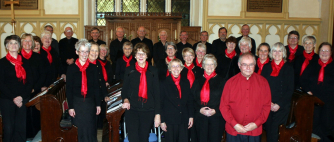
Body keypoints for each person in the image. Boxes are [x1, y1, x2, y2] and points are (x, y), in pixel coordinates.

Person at [220, 52, 271, 142]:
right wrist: (234, 124)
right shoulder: (230, 83)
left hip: (255, 130)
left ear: (255, 65)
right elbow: (224, 106)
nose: (248, 68)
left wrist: (256, 124)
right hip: (234, 130)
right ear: (239, 65)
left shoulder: (263, 82)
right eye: (245, 65)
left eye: (251, 65)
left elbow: (266, 106)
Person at [121, 42, 160, 142]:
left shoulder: (153, 71)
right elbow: (124, 89)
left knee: (143, 138)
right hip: (132, 109)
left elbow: (157, 93)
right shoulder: (129, 70)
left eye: (143, 53)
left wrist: (157, 114)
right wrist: (125, 99)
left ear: (147, 55)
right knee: (133, 138)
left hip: (148, 110)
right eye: (138, 53)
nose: (141, 56)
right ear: (135, 56)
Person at [67, 39, 101, 142]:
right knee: (79, 130)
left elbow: (96, 87)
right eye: (82, 51)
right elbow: (68, 89)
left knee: (90, 129)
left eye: (86, 51)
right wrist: (71, 107)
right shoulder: (71, 68)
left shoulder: (93, 68)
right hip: (77, 103)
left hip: (90, 103)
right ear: (77, 52)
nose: (84, 54)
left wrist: (98, 104)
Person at [0, 35, 33, 142]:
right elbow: (1, 83)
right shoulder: (2, 63)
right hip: (7, 99)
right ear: (6, 46)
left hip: (23, 99)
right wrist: (14, 97)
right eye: (10, 43)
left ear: (19, 46)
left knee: (21, 128)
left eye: (15, 43)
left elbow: (30, 81)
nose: (13, 45)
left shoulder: (26, 62)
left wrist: (21, 97)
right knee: (9, 128)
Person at [300, 42, 334, 142]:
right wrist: (307, 91)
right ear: (319, 52)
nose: (324, 53)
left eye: (327, 51)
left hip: (329, 103)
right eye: (322, 50)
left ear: (331, 52)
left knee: (327, 126)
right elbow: (303, 79)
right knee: (313, 125)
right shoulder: (313, 64)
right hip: (314, 101)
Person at [261, 42, 294, 142]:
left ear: (283, 53)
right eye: (275, 50)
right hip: (268, 104)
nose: (277, 53)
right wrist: (269, 103)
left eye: (280, 51)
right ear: (271, 53)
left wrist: (278, 104)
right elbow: (262, 87)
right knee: (269, 129)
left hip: (282, 106)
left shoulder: (289, 68)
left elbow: (290, 89)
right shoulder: (266, 67)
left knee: (275, 131)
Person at [191, 54, 226, 142]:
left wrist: (216, 110)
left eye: (212, 64)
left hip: (216, 117)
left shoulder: (222, 81)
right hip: (200, 117)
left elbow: (226, 100)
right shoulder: (197, 80)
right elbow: (192, 99)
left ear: (215, 65)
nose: (209, 66)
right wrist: (199, 109)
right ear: (203, 66)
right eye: (207, 64)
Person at [160, 58, 194, 142]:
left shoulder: (186, 82)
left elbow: (189, 101)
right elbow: (160, 103)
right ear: (170, 69)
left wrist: (191, 116)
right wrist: (162, 121)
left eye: (178, 66)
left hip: (184, 119)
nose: (175, 69)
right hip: (169, 120)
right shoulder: (163, 83)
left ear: (181, 68)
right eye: (173, 66)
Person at [20, 33, 46, 138]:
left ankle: (35, 137)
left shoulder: (38, 57)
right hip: (22, 92)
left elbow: (43, 74)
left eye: (29, 41)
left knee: (36, 116)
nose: (27, 43)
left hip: (35, 91)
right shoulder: (18, 57)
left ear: (32, 43)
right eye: (25, 41)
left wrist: (34, 88)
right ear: (21, 43)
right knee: (23, 116)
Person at [87, 42, 109, 130]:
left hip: (96, 97)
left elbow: (101, 81)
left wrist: (105, 95)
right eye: (92, 50)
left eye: (96, 51)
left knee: (94, 125)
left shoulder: (97, 64)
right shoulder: (84, 65)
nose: (94, 53)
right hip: (87, 100)